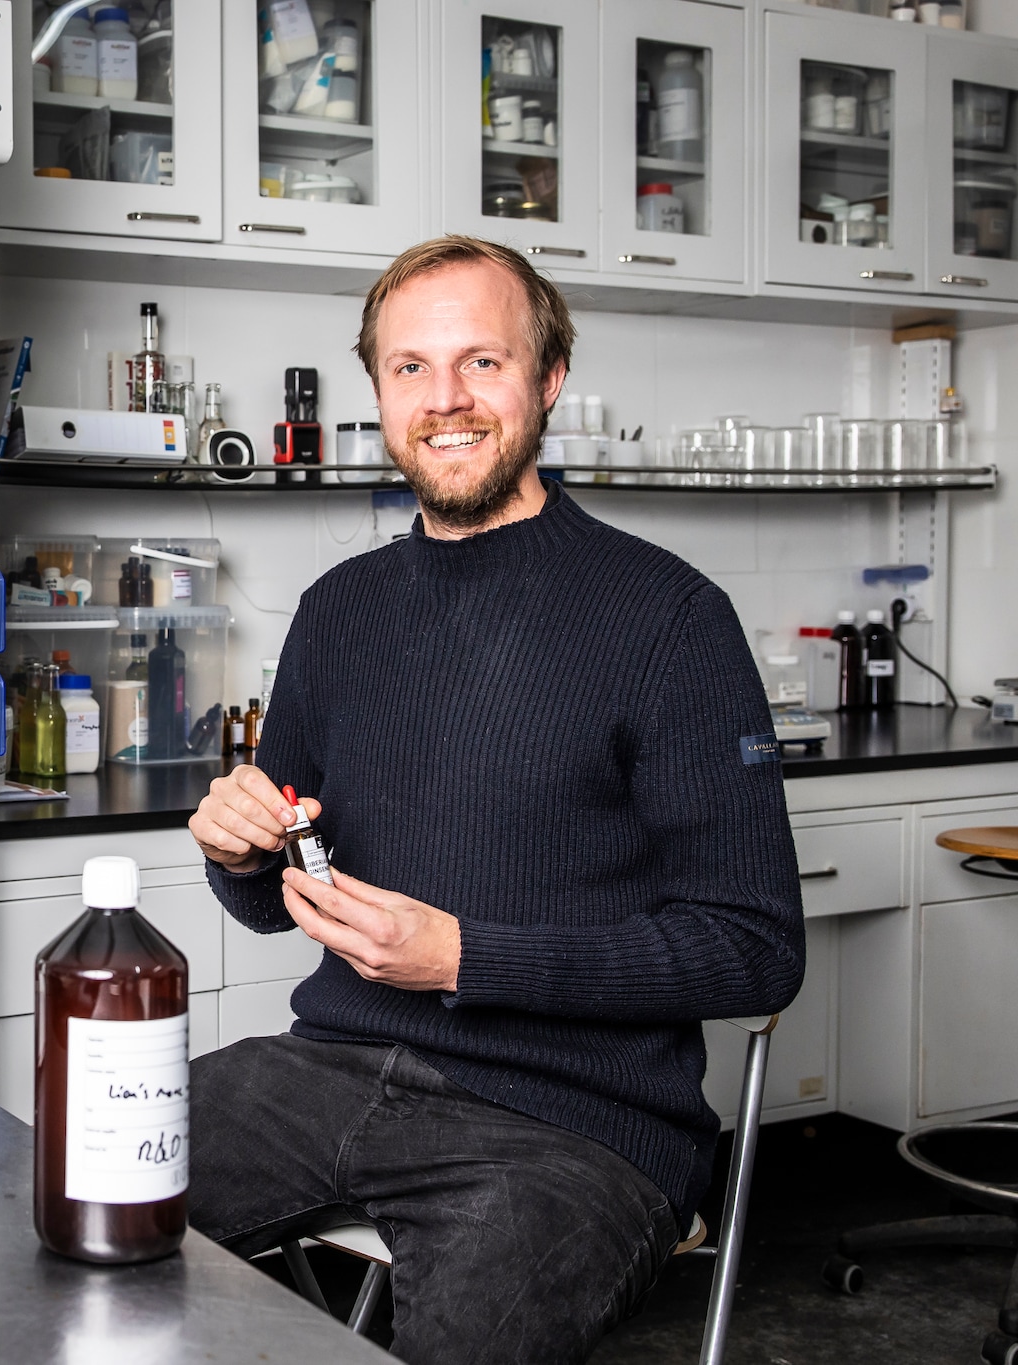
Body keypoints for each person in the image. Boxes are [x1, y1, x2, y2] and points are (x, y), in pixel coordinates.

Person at [186, 235, 804, 1365]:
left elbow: (753, 951)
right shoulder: (338, 610)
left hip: (572, 1122)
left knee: (469, 1337)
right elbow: (283, 898)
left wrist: (465, 958)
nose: (446, 399)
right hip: (322, 1072)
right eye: (409, 368)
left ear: (548, 377)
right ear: (376, 391)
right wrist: (240, 852)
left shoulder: (667, 617)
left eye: (481, 361)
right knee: (73, 1193)